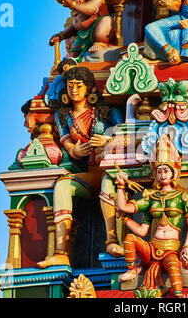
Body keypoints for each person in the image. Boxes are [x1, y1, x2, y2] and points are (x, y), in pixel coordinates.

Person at [37, 60, 124, 269]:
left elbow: (125, 130)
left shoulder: (106, 110)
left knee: (108, 183)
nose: (74, 89)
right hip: (87, 173)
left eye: (79, 85)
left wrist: (108, 140)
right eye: (70, 85)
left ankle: (112, 240)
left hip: (109, 170)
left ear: (89, 88)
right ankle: (60, 252)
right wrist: (73, 151)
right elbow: (66, 139)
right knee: (62, 185)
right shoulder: (63, 114)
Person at [115, 136, 188, 297]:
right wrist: (121, 187)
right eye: (159, 171)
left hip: (171, 250)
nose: (162, 174)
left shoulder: (183, 197)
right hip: (152, 248)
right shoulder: (151, 198)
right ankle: (132, 270)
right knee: (130, 239)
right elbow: (139, 227)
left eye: (166, 170)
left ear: (174, 173)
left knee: (176, 280)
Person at [50, 0, 116, 62]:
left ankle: (101, 45)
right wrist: (61, 35)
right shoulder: (76, 5)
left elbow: (92, 8)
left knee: (105, 21)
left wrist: (74, 4)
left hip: (97, 27)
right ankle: (74, 59)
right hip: (82, 34)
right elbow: (73, 26)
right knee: (73, 54)